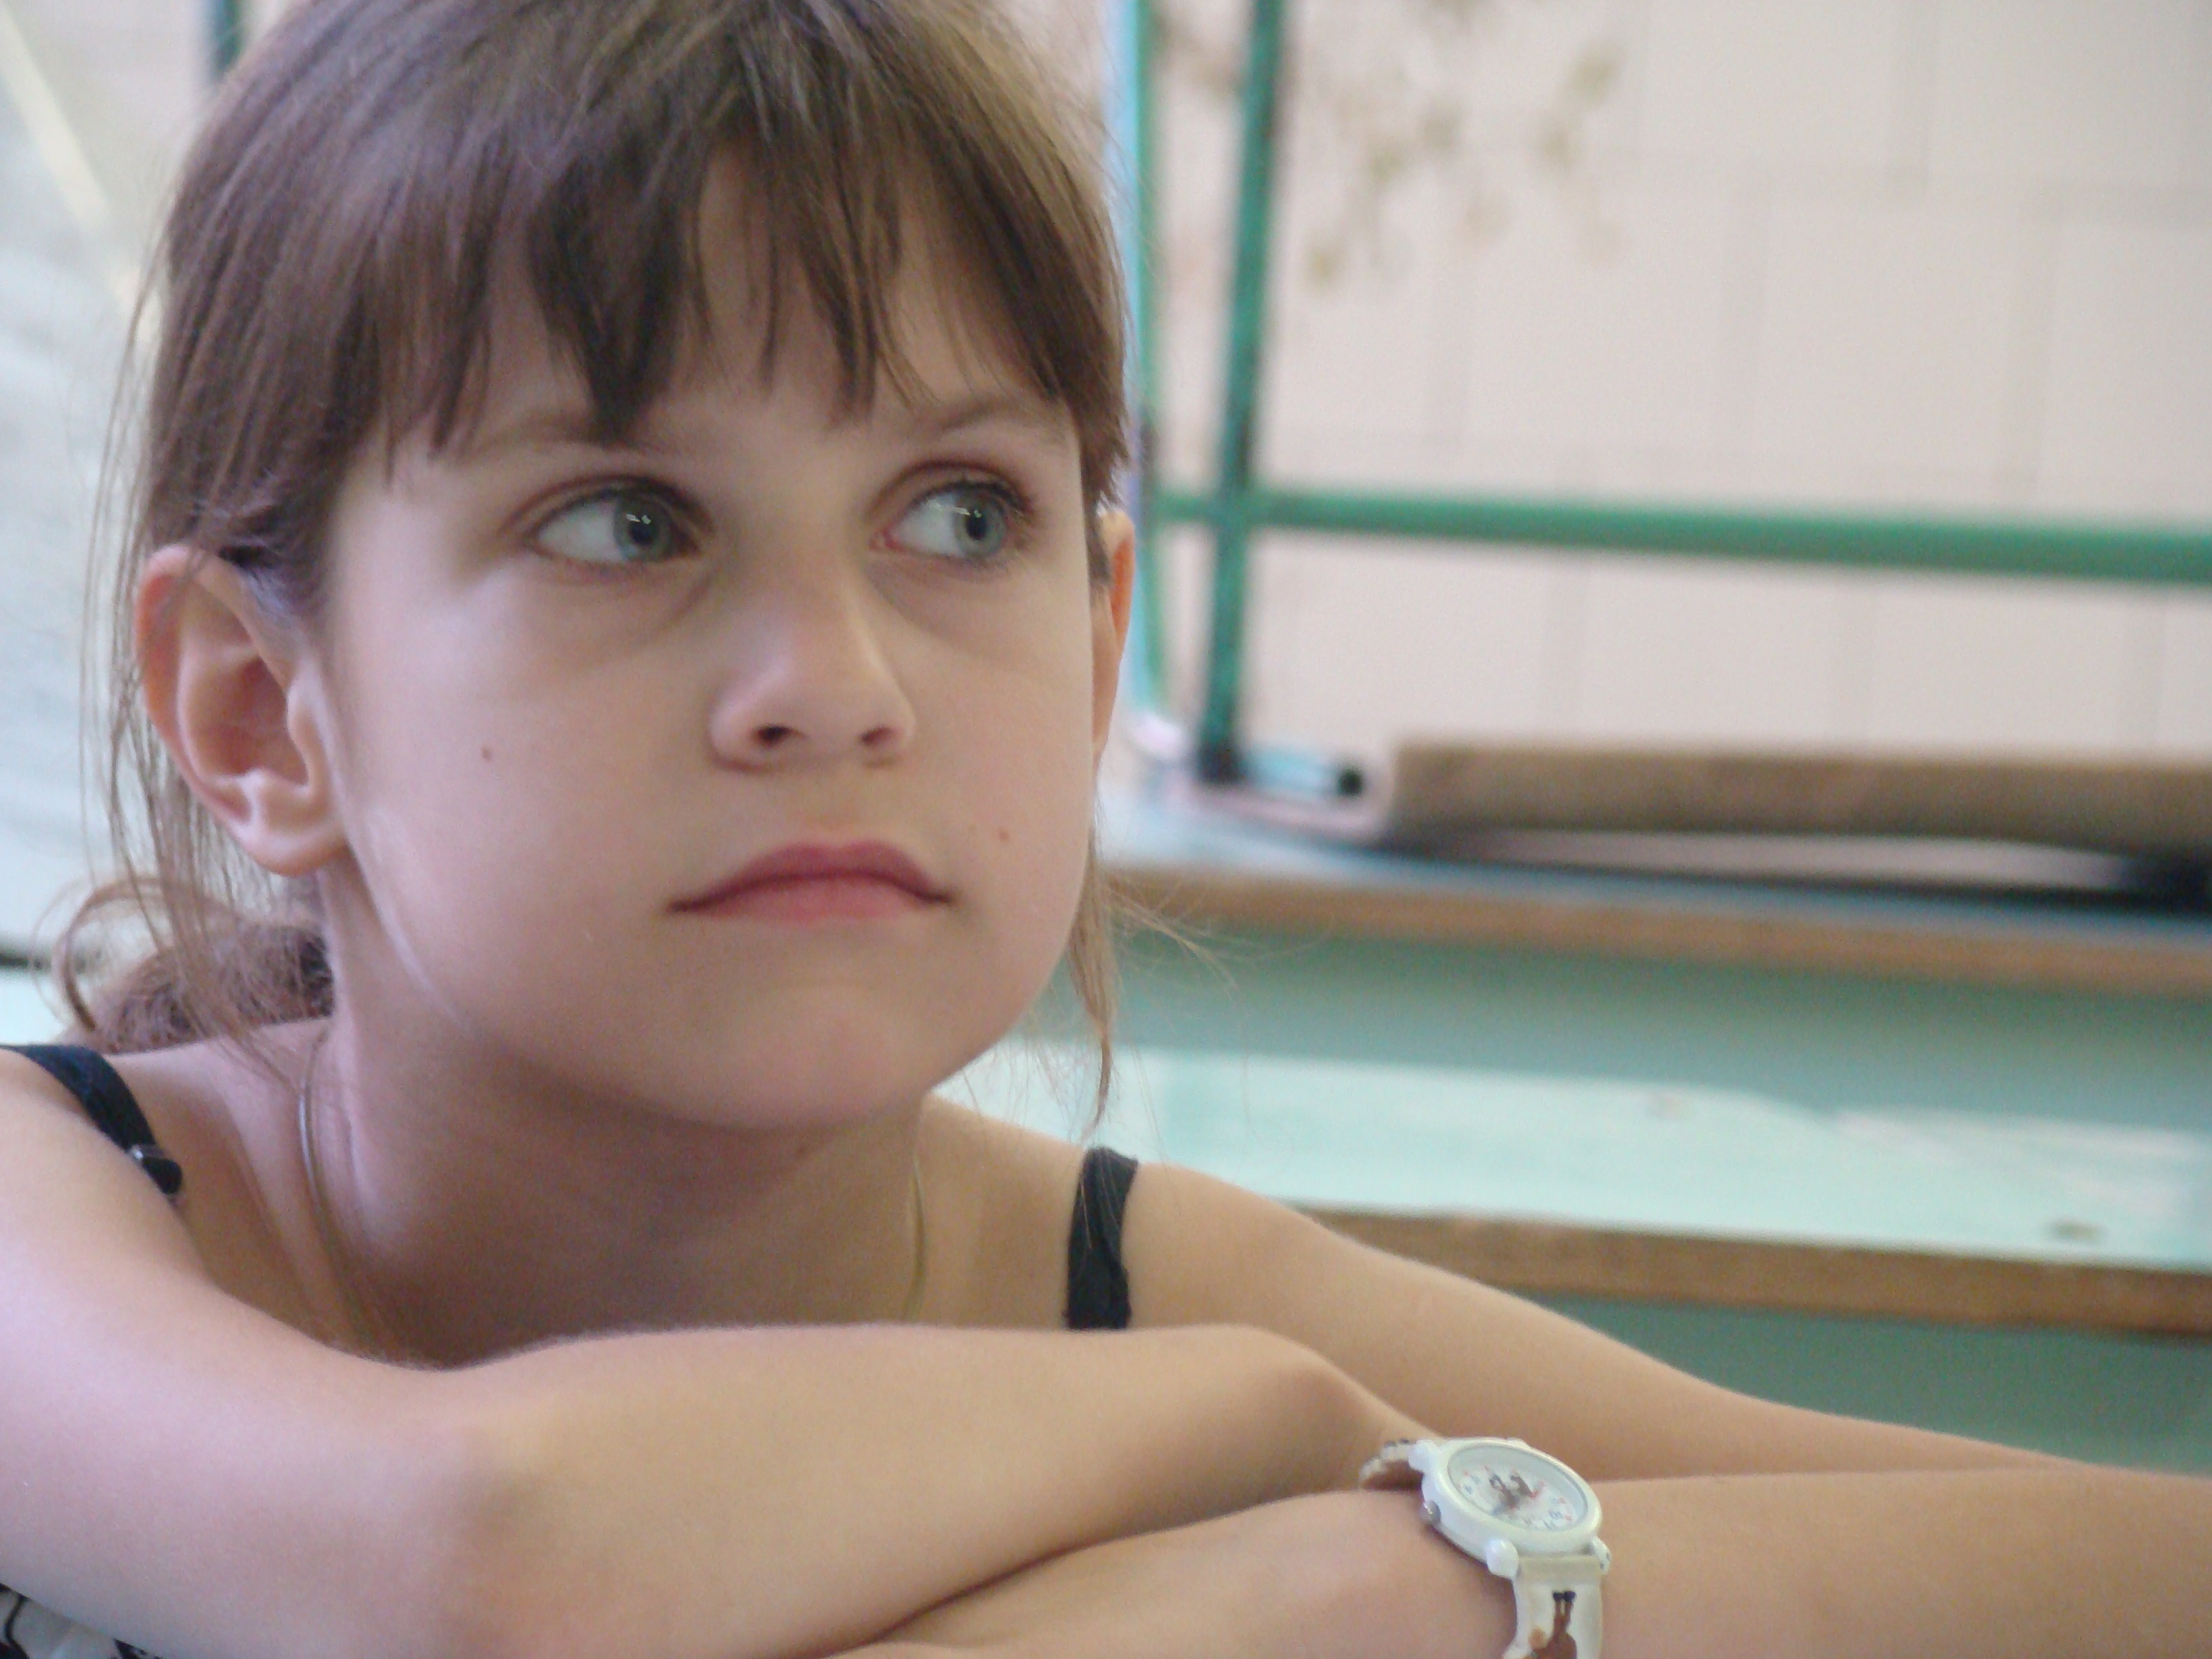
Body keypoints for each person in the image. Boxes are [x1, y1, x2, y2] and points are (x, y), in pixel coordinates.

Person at [0, 1, 2204, 1654]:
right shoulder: (58, 1210)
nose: (839, 684)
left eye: (961, 515)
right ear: (258, 708)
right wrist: (1257, 1435)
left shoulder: (1139, 1290)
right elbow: (474, 1567)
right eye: (626, 520)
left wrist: (1403, 1587)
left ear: (1095, 637)